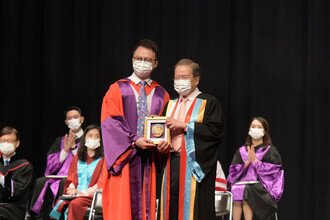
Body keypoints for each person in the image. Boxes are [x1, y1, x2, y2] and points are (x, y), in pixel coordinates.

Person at [100, 39, 170, 220]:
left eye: (148, 60)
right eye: (139, 58)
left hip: (149, 162)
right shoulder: (117, 89)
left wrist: (163, 144)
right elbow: (110, 123)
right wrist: (133, 140)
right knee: (122, 210)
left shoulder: (162, 93)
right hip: (124, 158)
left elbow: (166, 128)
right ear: (132, 60)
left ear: (155, 63)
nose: (143, 62)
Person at [159, 59, 224, 220]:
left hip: (194, 166)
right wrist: (161, 144)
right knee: (170, 206)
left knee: (194, 211)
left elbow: (215, 132)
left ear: (196, 79)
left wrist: (185, 125)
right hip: (170, 163)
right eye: (177, 77)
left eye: (185, 77)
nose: (180, 81)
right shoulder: (170, 104)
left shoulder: (208, 102)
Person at [29, 106, 85, 219]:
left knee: (64, 182)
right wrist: (65, 150)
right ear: (66, 122)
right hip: (59, 175)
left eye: (75, 117)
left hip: (79, 176)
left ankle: (57, 215)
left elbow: (86, 162)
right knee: (40, 181)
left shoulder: (88, 138)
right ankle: (35, 215)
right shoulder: (60, 140)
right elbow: (50, 164)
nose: (72, 120)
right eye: (69, 118)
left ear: (82, 119)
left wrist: (74, 148)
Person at [227, 116, 284, 220]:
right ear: (249, 129)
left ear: (264, 131)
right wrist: (247, 163)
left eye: (259, 127)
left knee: (247, 190)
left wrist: (256, 162)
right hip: (244, 184)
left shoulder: (270, 151)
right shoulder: (242, 151)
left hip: (263, 188)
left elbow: (275, 172)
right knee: (236, 188)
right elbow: (232, 172)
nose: (256, 129)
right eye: (253, 126)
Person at [49, 124, 105, 220]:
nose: (93, 138)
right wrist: (72, 188)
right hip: (76, 194)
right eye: (90, 135)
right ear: (85, 138)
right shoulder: (78, 158)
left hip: (91, 196)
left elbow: (100, 184)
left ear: (100, 139)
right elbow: (72, 178)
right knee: (59, 203)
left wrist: (81, 192)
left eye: (97, 136)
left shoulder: (103, 159)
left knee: (75, 203)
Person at [0, 126, 35, 219]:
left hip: (14, 208)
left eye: (10, 141)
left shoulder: (25, 166)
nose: (6, 144)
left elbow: (18, 191)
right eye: (3, 141)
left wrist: (1, 178)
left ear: (17, 143)